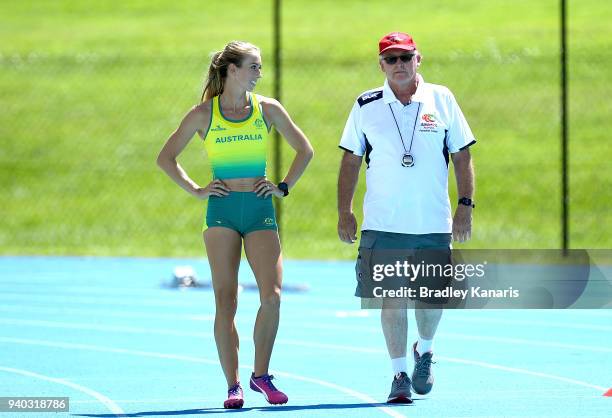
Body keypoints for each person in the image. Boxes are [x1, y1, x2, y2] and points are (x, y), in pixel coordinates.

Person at [157, 40, 313, 409]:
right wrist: (196, 190)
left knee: (272, 298)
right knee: (226, 301)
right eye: (253, 67)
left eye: (260, 67)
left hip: (259, 209)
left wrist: (283, 187)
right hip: (222, 212)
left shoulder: (268, 109)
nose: (260, 73)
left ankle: (262, 375)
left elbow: (305, 150)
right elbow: (165, 158)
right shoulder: (203, 114)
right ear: (232, 71)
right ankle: (233, 385)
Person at [337, 32, 476, 404]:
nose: (399, 65)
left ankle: (425, 350)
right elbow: (350, 159)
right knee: (391, 298)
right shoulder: (366, 104)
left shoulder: (441, 98)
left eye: (405, 57)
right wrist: (344, 212)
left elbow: (461, 154)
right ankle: (398, 373)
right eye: (391, 59)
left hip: (432, 221)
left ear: (419, 60)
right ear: (381, 65)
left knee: (431, 300)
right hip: (383, 222)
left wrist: (465, 205)